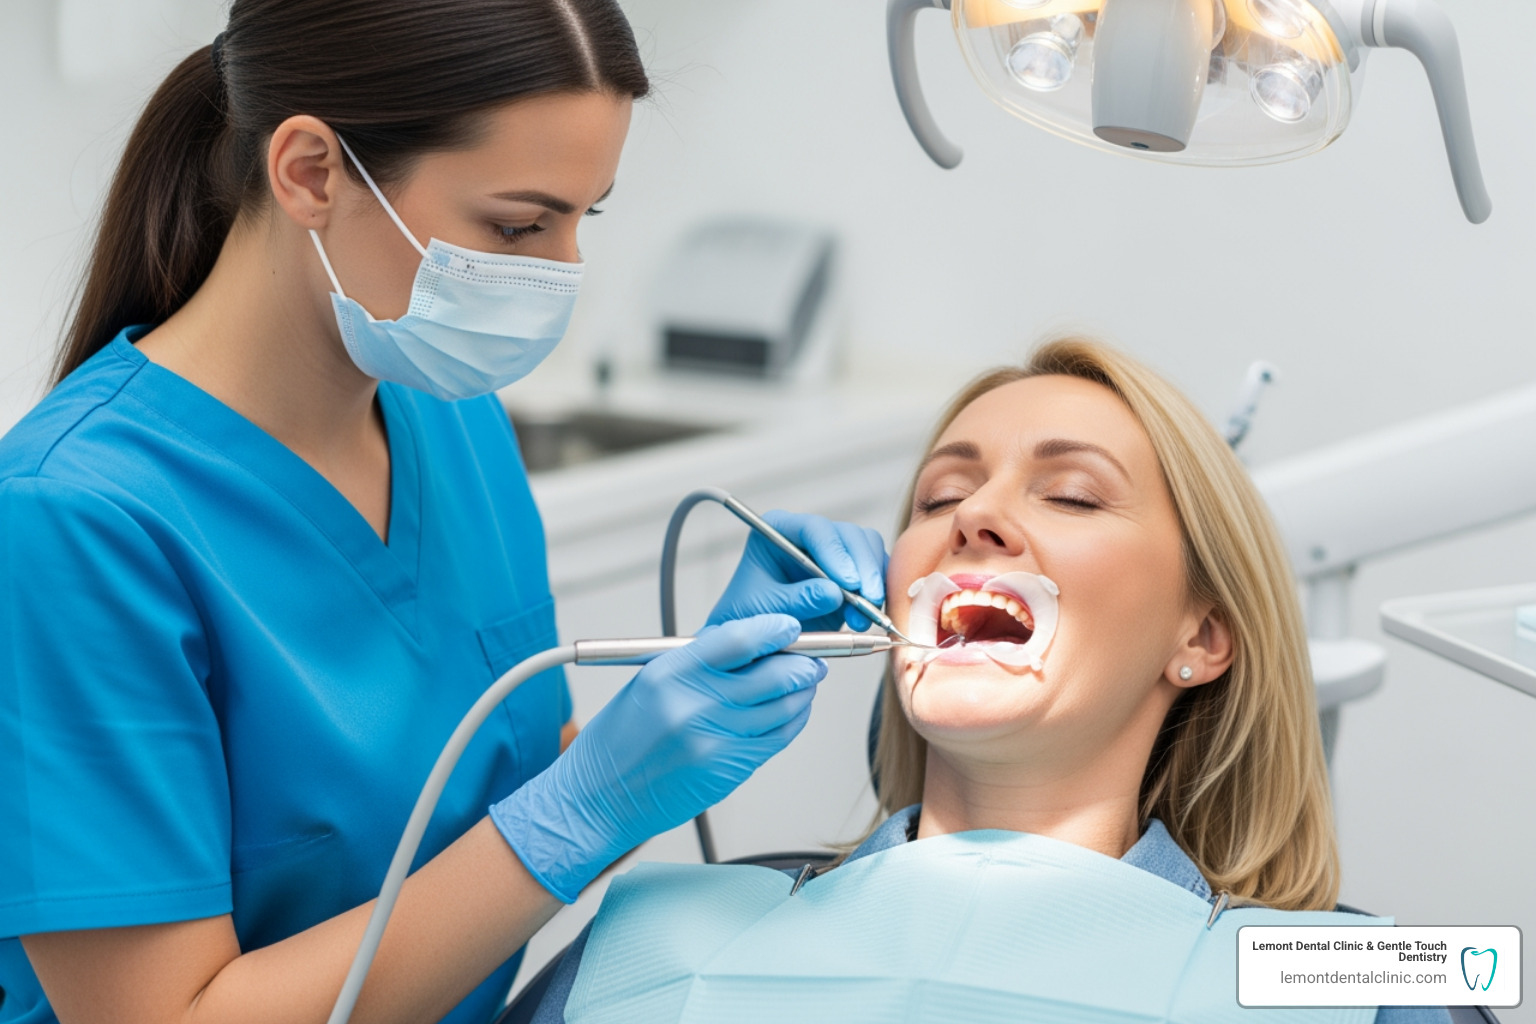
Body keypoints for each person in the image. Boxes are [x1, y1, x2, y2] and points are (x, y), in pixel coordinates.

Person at [0, 3, 890, 1023]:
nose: (561, 272)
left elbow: (498, 814)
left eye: (583, 218)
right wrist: (591, 801)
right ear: (311, 173)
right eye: (516, 226)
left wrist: (669, 731)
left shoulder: (454, 419)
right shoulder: (75, 520)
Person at [528, 338, 1450, 1024]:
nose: (974, 515)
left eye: (1073, 494)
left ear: (1202, 637)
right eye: (939, 497)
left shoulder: (1358, 977)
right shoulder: (659, 935)